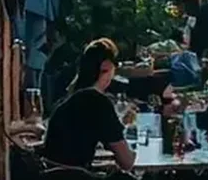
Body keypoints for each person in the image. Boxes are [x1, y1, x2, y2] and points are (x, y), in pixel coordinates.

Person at [42, 38, 137, 173]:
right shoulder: (98, 102)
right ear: (106, 66)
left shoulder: (70, 100)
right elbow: (126, 162)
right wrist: (134, 153)